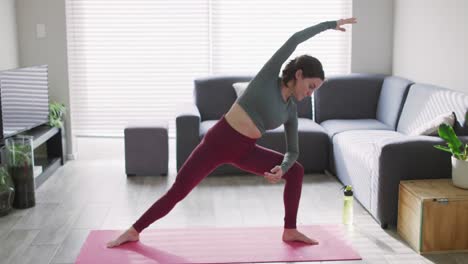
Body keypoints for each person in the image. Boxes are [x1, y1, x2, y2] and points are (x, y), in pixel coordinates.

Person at [107, 17, 357, 248]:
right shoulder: (267, 78)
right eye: (310, 86)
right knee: (178, 191)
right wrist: (330, 24)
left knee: (296, 171)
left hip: (245, 150)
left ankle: (290, 230)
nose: (310, 93)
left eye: (315, 90)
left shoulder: (291, 110)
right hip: (217, 142)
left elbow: (293, 151)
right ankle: (134, 230)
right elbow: (294, 40)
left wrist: (283, 167)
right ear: (299, 74)